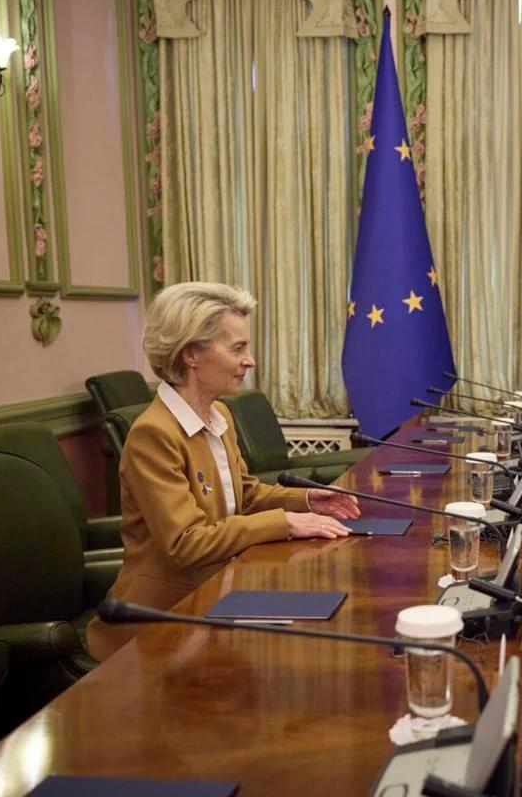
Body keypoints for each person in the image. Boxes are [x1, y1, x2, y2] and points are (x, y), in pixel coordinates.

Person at [87, 282, 361, 660]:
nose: (250, 361)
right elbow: (186, 543)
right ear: (191, 354)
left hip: (219, 597)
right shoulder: (154, 434)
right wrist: (285, 522)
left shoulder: (220, 414)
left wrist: (307, 500)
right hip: (158, 624)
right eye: (237, 349)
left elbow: (244, 495)